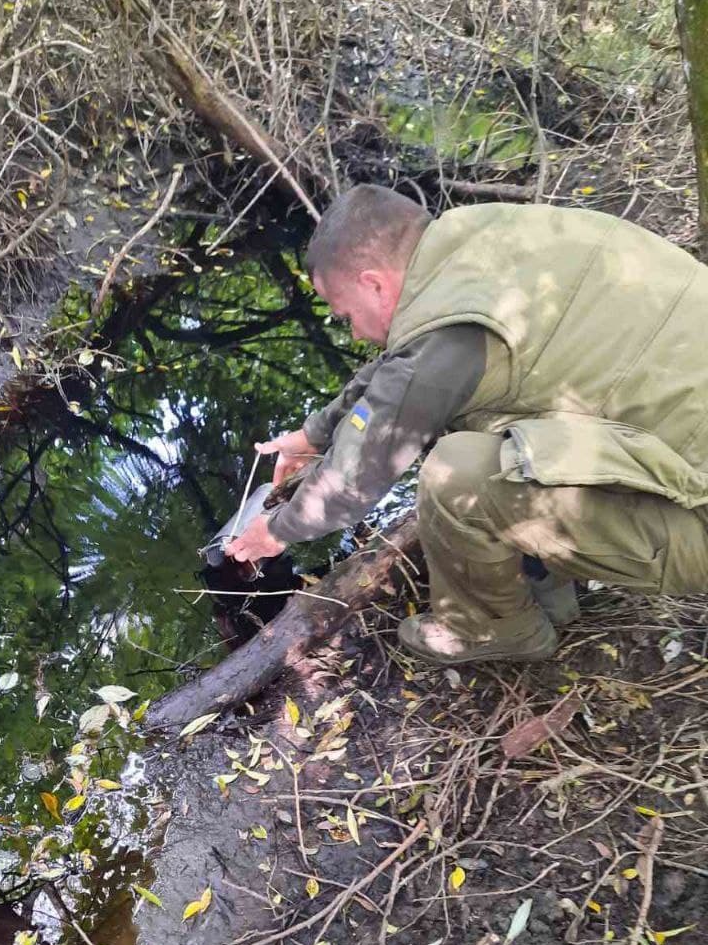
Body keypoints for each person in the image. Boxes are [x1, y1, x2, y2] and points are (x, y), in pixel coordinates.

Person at [224, 184, 708, 664]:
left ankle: (492, 630)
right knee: (472, 420)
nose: (351, 330)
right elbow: (403, 367)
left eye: (346, 314)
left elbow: (354, 477)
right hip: (675, 415)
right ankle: (546, 572)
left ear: (374, 283)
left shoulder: (443, 341)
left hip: (698, 513)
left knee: (454, 474)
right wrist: (315, 434)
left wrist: (276, 532)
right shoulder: (477, 237)